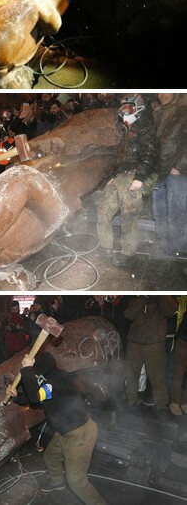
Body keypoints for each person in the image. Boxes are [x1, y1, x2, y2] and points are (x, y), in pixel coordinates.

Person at [6, 352, 106, 504]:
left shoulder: (59, 378)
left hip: (80, 434)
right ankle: (57, 483)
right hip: (64, 431)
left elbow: (36, 396)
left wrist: (26, 369)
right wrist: (16, 396)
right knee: (51, 457)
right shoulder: (47, 379)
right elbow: (35, 398)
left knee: (77, 481)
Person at [97, 95, 158, 267]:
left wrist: (140, 178)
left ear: (137, 108)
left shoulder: (145, 128)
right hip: (120, 174)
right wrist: (111, 176)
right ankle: (105, 246)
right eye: (122, 109)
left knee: (129, 215)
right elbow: (117, 156)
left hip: (135, 172)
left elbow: (150, 154)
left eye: (128, 109)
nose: (125, 112)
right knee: (103, 210)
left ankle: (128, 252)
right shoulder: (122, 129)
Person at [123, 296, 177, 412]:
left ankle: (161, 406)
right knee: (131, 374)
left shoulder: (164, 298)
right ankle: (131, 399)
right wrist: (144, 297)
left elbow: (169, 311)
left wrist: (160, 294)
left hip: (155, 344)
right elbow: (129, 314)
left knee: (157, 377)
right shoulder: (137, 297)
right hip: (134, 342)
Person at [152, 93, 187, 258]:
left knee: (176, 214)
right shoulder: (158, 112)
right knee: (159, 211)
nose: (161, 94)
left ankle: (177, 250)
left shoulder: (183, 111)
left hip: (175, 174)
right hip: (158, 171)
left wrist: (179, 167)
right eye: (159, 91)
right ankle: (163, 245)